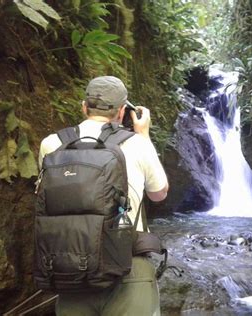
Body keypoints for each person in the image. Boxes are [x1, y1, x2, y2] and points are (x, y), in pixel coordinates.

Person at [38, 76, 169, 316]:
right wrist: (144, 135)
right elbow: (159, 193)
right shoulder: (137, 144)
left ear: (84, 107)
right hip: (129, 267)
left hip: (71, 268)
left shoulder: (51, 145)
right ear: (122, 112)